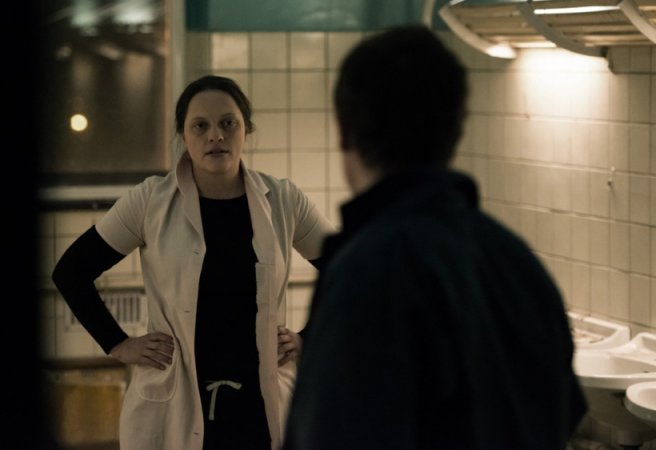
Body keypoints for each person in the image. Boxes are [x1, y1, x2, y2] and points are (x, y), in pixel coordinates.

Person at [282, 25, 587, 450]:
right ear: (456, 129)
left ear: (345, 133)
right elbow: (564, 411)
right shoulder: (517, 261)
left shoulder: (368, 272)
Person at [52, 74, 336, 450]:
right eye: (200, 126)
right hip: (173, 406)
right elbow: (71, 272)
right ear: (183, 136)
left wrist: (309, 338)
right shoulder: (150, 201)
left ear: (246, 130)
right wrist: (117, 343)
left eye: (228, 123)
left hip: (260, 407)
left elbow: (347, 270)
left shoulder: (283, 200)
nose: (215, 135)